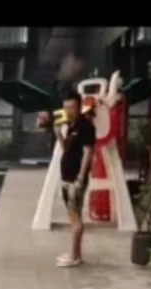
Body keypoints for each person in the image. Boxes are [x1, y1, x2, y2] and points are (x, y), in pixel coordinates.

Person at [54, 90, 95, 268]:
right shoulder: (71, 125)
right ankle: (75, 253)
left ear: (79, 107)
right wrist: (58, 133)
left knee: (76, 217)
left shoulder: (86, 126)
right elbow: (66, 148)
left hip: (75, 178)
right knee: (72, 216)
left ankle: (75, 257)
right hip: (66, 177)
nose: (68, 111)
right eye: (66, 108)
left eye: (71, 107)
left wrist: (80, 178)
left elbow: (88, 153)